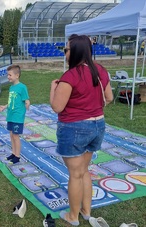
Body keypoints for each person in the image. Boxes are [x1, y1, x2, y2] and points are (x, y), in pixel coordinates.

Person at [50, 34, 113, 226]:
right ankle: (86, 211)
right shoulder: (100, 70)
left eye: (66, 49)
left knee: (76, 174)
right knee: (84, 171)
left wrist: (53, 88)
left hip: (75, 128)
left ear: (75, 51)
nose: (65, 53)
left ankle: (73, 216)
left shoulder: (69, 76)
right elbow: (109, 98)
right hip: (97, 125)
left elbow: (57, 107)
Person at [0, 65, 30, 164]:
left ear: (17, 75)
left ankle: (17, 156)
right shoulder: (11, 88)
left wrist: (28, 103)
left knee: (15, 136)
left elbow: (26, 100)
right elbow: (12, 101)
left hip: (17, 116)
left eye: (10, 75)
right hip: (10, 115)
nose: (8, 77)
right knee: (11, 135)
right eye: (8, 75)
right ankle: (13, 153)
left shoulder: (22, 87)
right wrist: (4, 106)